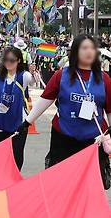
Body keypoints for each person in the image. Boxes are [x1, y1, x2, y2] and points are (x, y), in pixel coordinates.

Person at [24, 34, 111, 189]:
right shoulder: (61, 75)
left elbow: (110, 109)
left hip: (94, 140)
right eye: (84, 48)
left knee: (90, 185)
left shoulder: (104, 78)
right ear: (76, 51)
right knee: (63, 184)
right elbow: (46, 99)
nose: (89, 52)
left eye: (92, 48)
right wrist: (27, 122)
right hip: (64, 137)